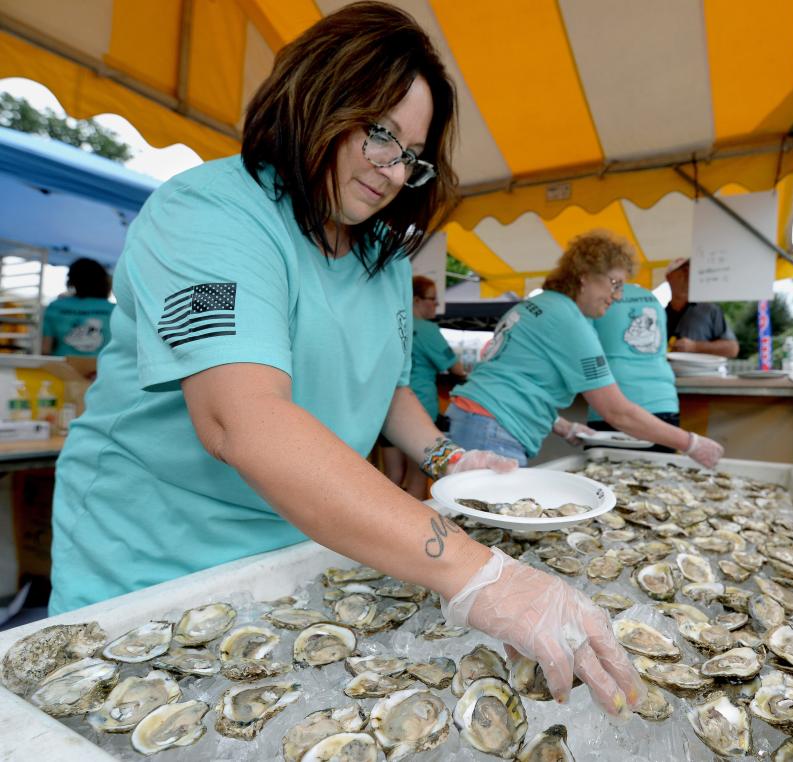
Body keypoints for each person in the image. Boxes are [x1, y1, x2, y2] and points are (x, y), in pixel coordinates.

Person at [48, 3, 645, 717]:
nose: (393, 171)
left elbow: (387, 388)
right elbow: (243, 421)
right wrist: (482, 574)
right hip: (150, 570)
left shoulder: (381, 258)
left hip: (300, 555)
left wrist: (448, 462)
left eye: (412, 156)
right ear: (317, 94)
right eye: (381, 134)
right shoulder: (210, 215)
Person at [448, 230, 725, 467]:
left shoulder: (541, 304)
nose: (617, 297)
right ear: (584, 276)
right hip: (491, 431)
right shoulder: (571, 321)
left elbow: (519, 378)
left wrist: (564, 426)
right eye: (614, 284)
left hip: (468, 417)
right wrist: (690, 443)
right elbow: (618, 412)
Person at [381, 274, 466, 498]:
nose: (436, 305)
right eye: (432, 299)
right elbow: (457, 369)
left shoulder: (390, 324)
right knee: (417, 480)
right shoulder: (428, 330)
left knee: (391, 476)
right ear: (416, 300)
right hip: (419, 410)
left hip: (385, 407)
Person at [588, 281, 679, 452]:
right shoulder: (650, 297)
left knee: (601, 475)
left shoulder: (594, 300)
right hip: (663, 402)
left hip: (613, 400)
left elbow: (583, 351)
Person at [664, 258, 739, 358]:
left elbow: (732, 349)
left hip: (702, 373)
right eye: (683, 270)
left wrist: (694, 347)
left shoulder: (710, 310)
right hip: (667, 373)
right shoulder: (659, 314)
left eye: (692, 271)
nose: (689, 275)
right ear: (669, 277)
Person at [41, 257, 115, 357]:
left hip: (62, 368)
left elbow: (45, 348)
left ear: (71, 280)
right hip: (102, 369)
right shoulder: (115, 310)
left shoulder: (56, 306)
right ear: (104, 281)